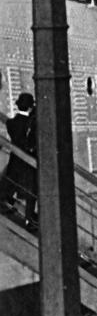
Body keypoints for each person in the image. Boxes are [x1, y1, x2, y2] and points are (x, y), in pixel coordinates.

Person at [0, 92, 37, 223]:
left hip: (15, 159)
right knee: (31, 190)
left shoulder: (10, 123)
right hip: (28, 161)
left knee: (12, 182)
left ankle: (7, 201)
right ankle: (29, 217)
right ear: (30, 107)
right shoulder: (32, 123)